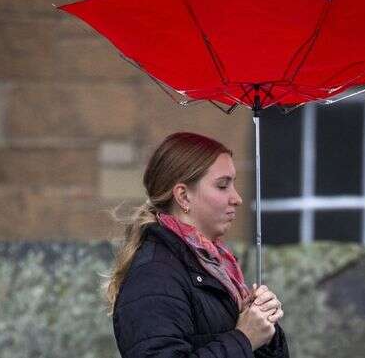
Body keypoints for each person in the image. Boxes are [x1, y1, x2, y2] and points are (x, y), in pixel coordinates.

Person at [105, 132, 290, 357]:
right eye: (223, 186)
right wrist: (244, 338)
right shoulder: (154, 275)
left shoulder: (214, 268)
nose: (237, 198)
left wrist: (265, 328)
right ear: (183, 196)